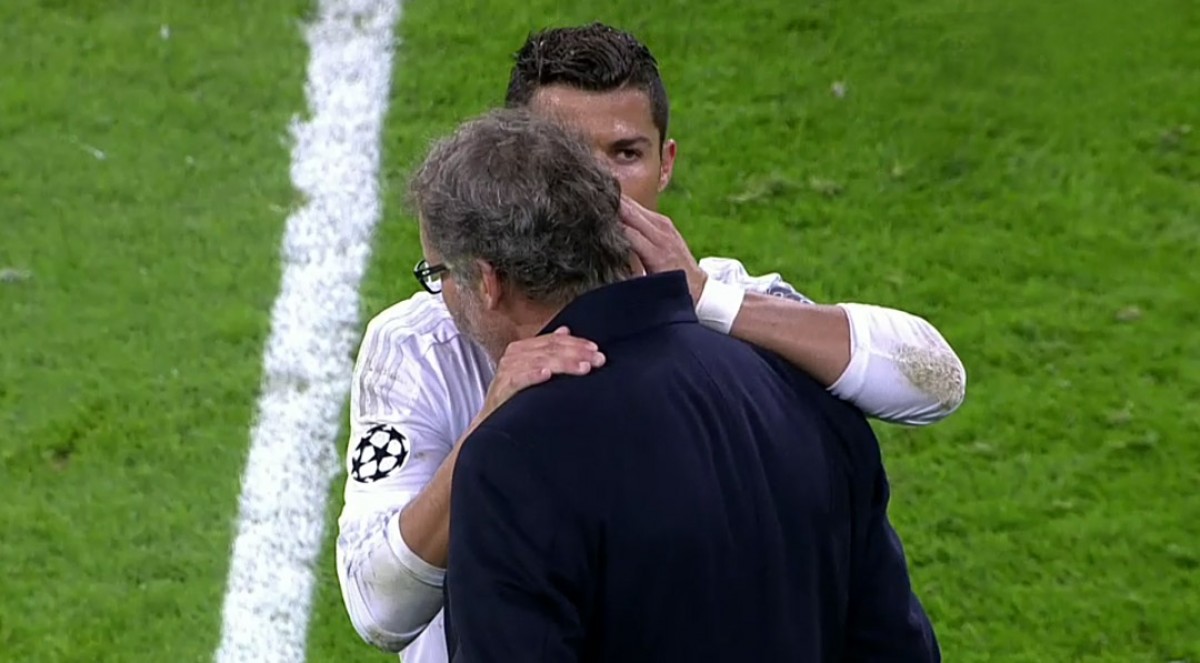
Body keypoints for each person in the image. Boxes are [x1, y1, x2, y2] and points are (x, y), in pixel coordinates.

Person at [335, 22, 963, 661]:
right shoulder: (423, 341)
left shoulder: (738, 311)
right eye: (565, 155)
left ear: (665, 163)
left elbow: (936, 382)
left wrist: (711, 303)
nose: (596, 185)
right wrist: (484, 429)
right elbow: (378, 609)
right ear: (516, 156)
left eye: (625, 153)